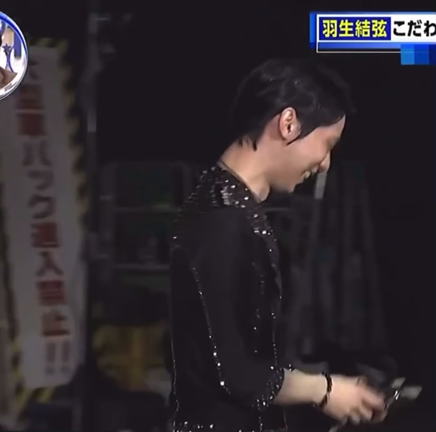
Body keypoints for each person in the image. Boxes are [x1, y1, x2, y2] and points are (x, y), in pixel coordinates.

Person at [168, 58, 386, 432]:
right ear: (288, 124)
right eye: (327, 144)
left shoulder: (231, 208)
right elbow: (235, 374)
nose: (325, 164)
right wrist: (325, 390)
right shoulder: (222, 218)